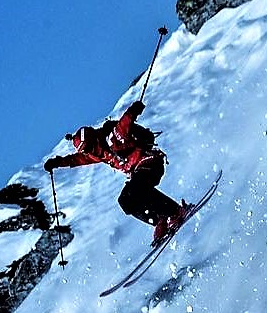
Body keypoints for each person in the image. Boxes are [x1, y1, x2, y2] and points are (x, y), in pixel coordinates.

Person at [45, 100, 191, 246]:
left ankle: (174, 212)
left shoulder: (112, 137)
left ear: (93, 138)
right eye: (85, 150)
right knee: (126, 201)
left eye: (88, 148)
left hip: (150, 162)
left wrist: (135, 109)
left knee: (136, 189)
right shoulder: (97, 153)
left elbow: (124, 123)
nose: (88, 152)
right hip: (138, 171)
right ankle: (160, 220)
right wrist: (57, 163)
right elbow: (77, 159)